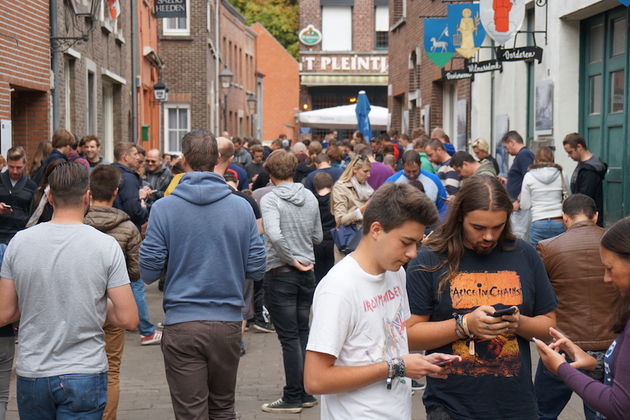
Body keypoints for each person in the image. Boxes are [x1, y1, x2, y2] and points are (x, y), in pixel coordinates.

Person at [406, 175, 557, 420]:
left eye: (497, 227)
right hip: (451, 407)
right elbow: (409, 335)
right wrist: (464, 326)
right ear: (460, 218)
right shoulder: (430, 260)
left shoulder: (525, 255)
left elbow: (549, 326)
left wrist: (519, 324)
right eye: (478, 227)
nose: (488, 236)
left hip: (516, 406)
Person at [140, 130, 266, 419]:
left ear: (183, 161)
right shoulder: (241, 206)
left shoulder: (163, 208)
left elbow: (147, 271)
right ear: (218, 160)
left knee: (190, 413)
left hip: (182, 322)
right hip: (228, 322)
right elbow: (257, 268)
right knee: (222, 409)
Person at [305, 183, 458, 419]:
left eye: (416, 243)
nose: (413, 253)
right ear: (376, 229)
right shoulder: (338, 289)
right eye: (405, 242)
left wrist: (420, 362)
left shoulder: (395, 271)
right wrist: (397, 367)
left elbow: (390, 340)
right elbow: (315, 380)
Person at [0, 161, 138, 419]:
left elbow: (4, 313)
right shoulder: (105, 246)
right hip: (85, 370)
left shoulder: (19, 242)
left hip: (34, 372)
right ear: (87, 197)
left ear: (50, 197)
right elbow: (129, 318)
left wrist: (35, 300)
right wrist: (94, 303)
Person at [534, 216, 630, 420]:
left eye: (610, 268)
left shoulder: (547, 247)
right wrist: (592, 363)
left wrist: (561, 368)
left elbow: (619, 407)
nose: (606, 278)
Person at [259, 149, 322, 413]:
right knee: (303, 332)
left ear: (270, 174)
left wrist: (290, 257)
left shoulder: (271, 199)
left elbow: (273, 233)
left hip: (281, 273)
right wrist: (301, 254)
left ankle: (293, 395)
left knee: (289, 338)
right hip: (307, 273)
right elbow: (318, 236)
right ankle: (307, 391)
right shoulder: (309, 196)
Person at [84, 164, 143, 420]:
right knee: (112, 370)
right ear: (116, 192)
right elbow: (136, 271)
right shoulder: (128, 228)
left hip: (81, 303)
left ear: (88, 191)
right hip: (114, 305)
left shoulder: (79, 224)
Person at [519, 146, 565, 246]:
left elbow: (525, 205)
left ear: (535, 160)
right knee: (558, 257)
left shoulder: (529, 176)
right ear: (552, 159)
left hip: (538, 221)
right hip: (559, 221)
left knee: (537, 258)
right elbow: (568, 196)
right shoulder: (561, 173)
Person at [330, 155, 373, 262]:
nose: (369, 175)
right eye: (365, 171)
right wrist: (363, 209)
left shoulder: (367, 188)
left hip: (366, 241)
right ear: (354, 170)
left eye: (369, 171)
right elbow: (340, 219)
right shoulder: (341, 187)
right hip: (349, 243)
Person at [385, 150, 448, 220]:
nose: (411, 175)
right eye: (408, 171)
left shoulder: (434, 180)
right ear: (403, 166)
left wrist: (439, 225)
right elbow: (384, 206)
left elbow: (443, 207)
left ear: (420, 165)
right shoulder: (392, 181)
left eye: (414, 171)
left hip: (430, 226)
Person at [562, 132, 608, 226]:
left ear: (579, 147)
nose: (569, 156)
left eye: (570, 152)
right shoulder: (583, 165)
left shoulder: (590, 170)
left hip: (586, 220)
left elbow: (584, 199)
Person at [502, 130, 535, 240]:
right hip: (519, 205)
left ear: (512, 142)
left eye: (506, 147)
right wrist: (508, 181)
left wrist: (519, 201)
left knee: (518, 235)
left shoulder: (524, 155)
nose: (507, 151)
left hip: (520, 207)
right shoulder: (523, 155)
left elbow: (528, 180)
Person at [0, 147, 37, 244]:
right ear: (7, 163)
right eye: (11, 167)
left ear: (25, 164)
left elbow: (33, 215)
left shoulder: (32, 187)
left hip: (20, 239)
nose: (15, 171)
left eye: (18, 167)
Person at [112, 142, 150, 230]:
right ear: (125, 157)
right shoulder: (129, 178)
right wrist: (144, 209)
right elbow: (134, 211)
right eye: (135, 154)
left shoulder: (109, 171)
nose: (138, 157)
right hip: (126, 229)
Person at [312, 172, 336, 284]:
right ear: (331, 185)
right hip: (333, 240)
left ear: (316, 187)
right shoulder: (335, 200)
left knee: (319, 276)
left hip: (317, 242)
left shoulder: (312, 201)